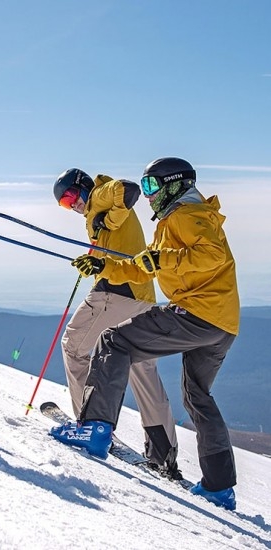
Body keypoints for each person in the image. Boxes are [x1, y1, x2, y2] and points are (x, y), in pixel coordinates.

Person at [50, 157, 239, 511]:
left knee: (113, 340)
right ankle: (219, 487)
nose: (149, 195)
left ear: (173, 184)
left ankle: (94, 428)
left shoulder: (187, 215)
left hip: (197, 312)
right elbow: (143, 267)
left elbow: (210, 256)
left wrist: (163, 260)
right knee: (197, 395)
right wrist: (104, 265)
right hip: (222, 323)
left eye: (152, 186)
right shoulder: (175, 220)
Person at [52, 168, 180, 478]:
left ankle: (89, 424)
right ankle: (163, 453)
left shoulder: (100, 193)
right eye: (65, 205)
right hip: (141, 294)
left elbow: (129, 189)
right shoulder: (95, 210)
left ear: (82, 185)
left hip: (115, 292)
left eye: (70, 197)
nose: (73, 206)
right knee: (140, 367)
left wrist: (104, 221)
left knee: (74, 347)